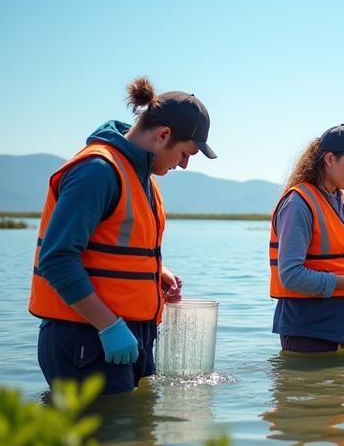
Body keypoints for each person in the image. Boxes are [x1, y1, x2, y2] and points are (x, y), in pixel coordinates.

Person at [30, 76, 217, 395]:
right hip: (86, 341)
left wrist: (156, 273)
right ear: (163, 135)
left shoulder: (143, 177)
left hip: (127, 337)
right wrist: (108, 326)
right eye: (186, 153)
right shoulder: (97, 172)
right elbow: (56, 259)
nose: (184, 165)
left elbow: (111, 248)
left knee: (137, 428)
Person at [269, 124, 344, 353]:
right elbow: (291, 276)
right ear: (330, 159)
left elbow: (337, 264)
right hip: (307, 330)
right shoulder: (297, 204)